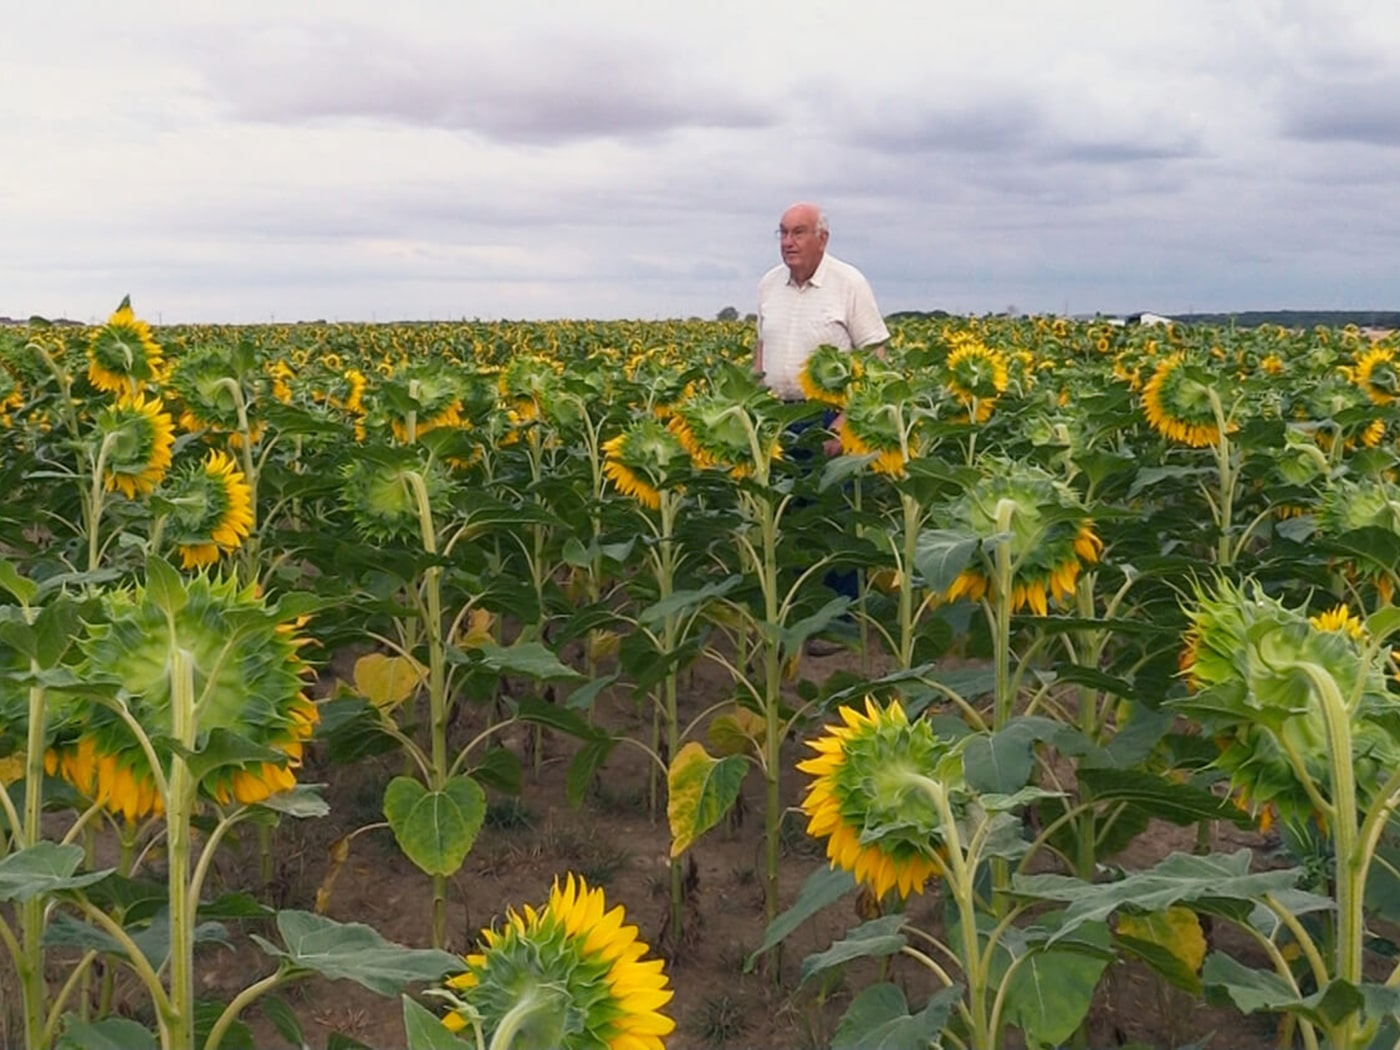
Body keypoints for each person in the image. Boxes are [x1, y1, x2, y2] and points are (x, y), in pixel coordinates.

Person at [754, 201, 889, 455]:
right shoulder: (768, 285)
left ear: (822, 239)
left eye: (798, 232)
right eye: (783, 233)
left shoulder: (849, 283)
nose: (787, 242)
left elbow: (875, 357)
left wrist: (845, 424)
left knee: (826, 492)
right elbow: (762, 347)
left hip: (828, 417)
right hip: (775, 417)